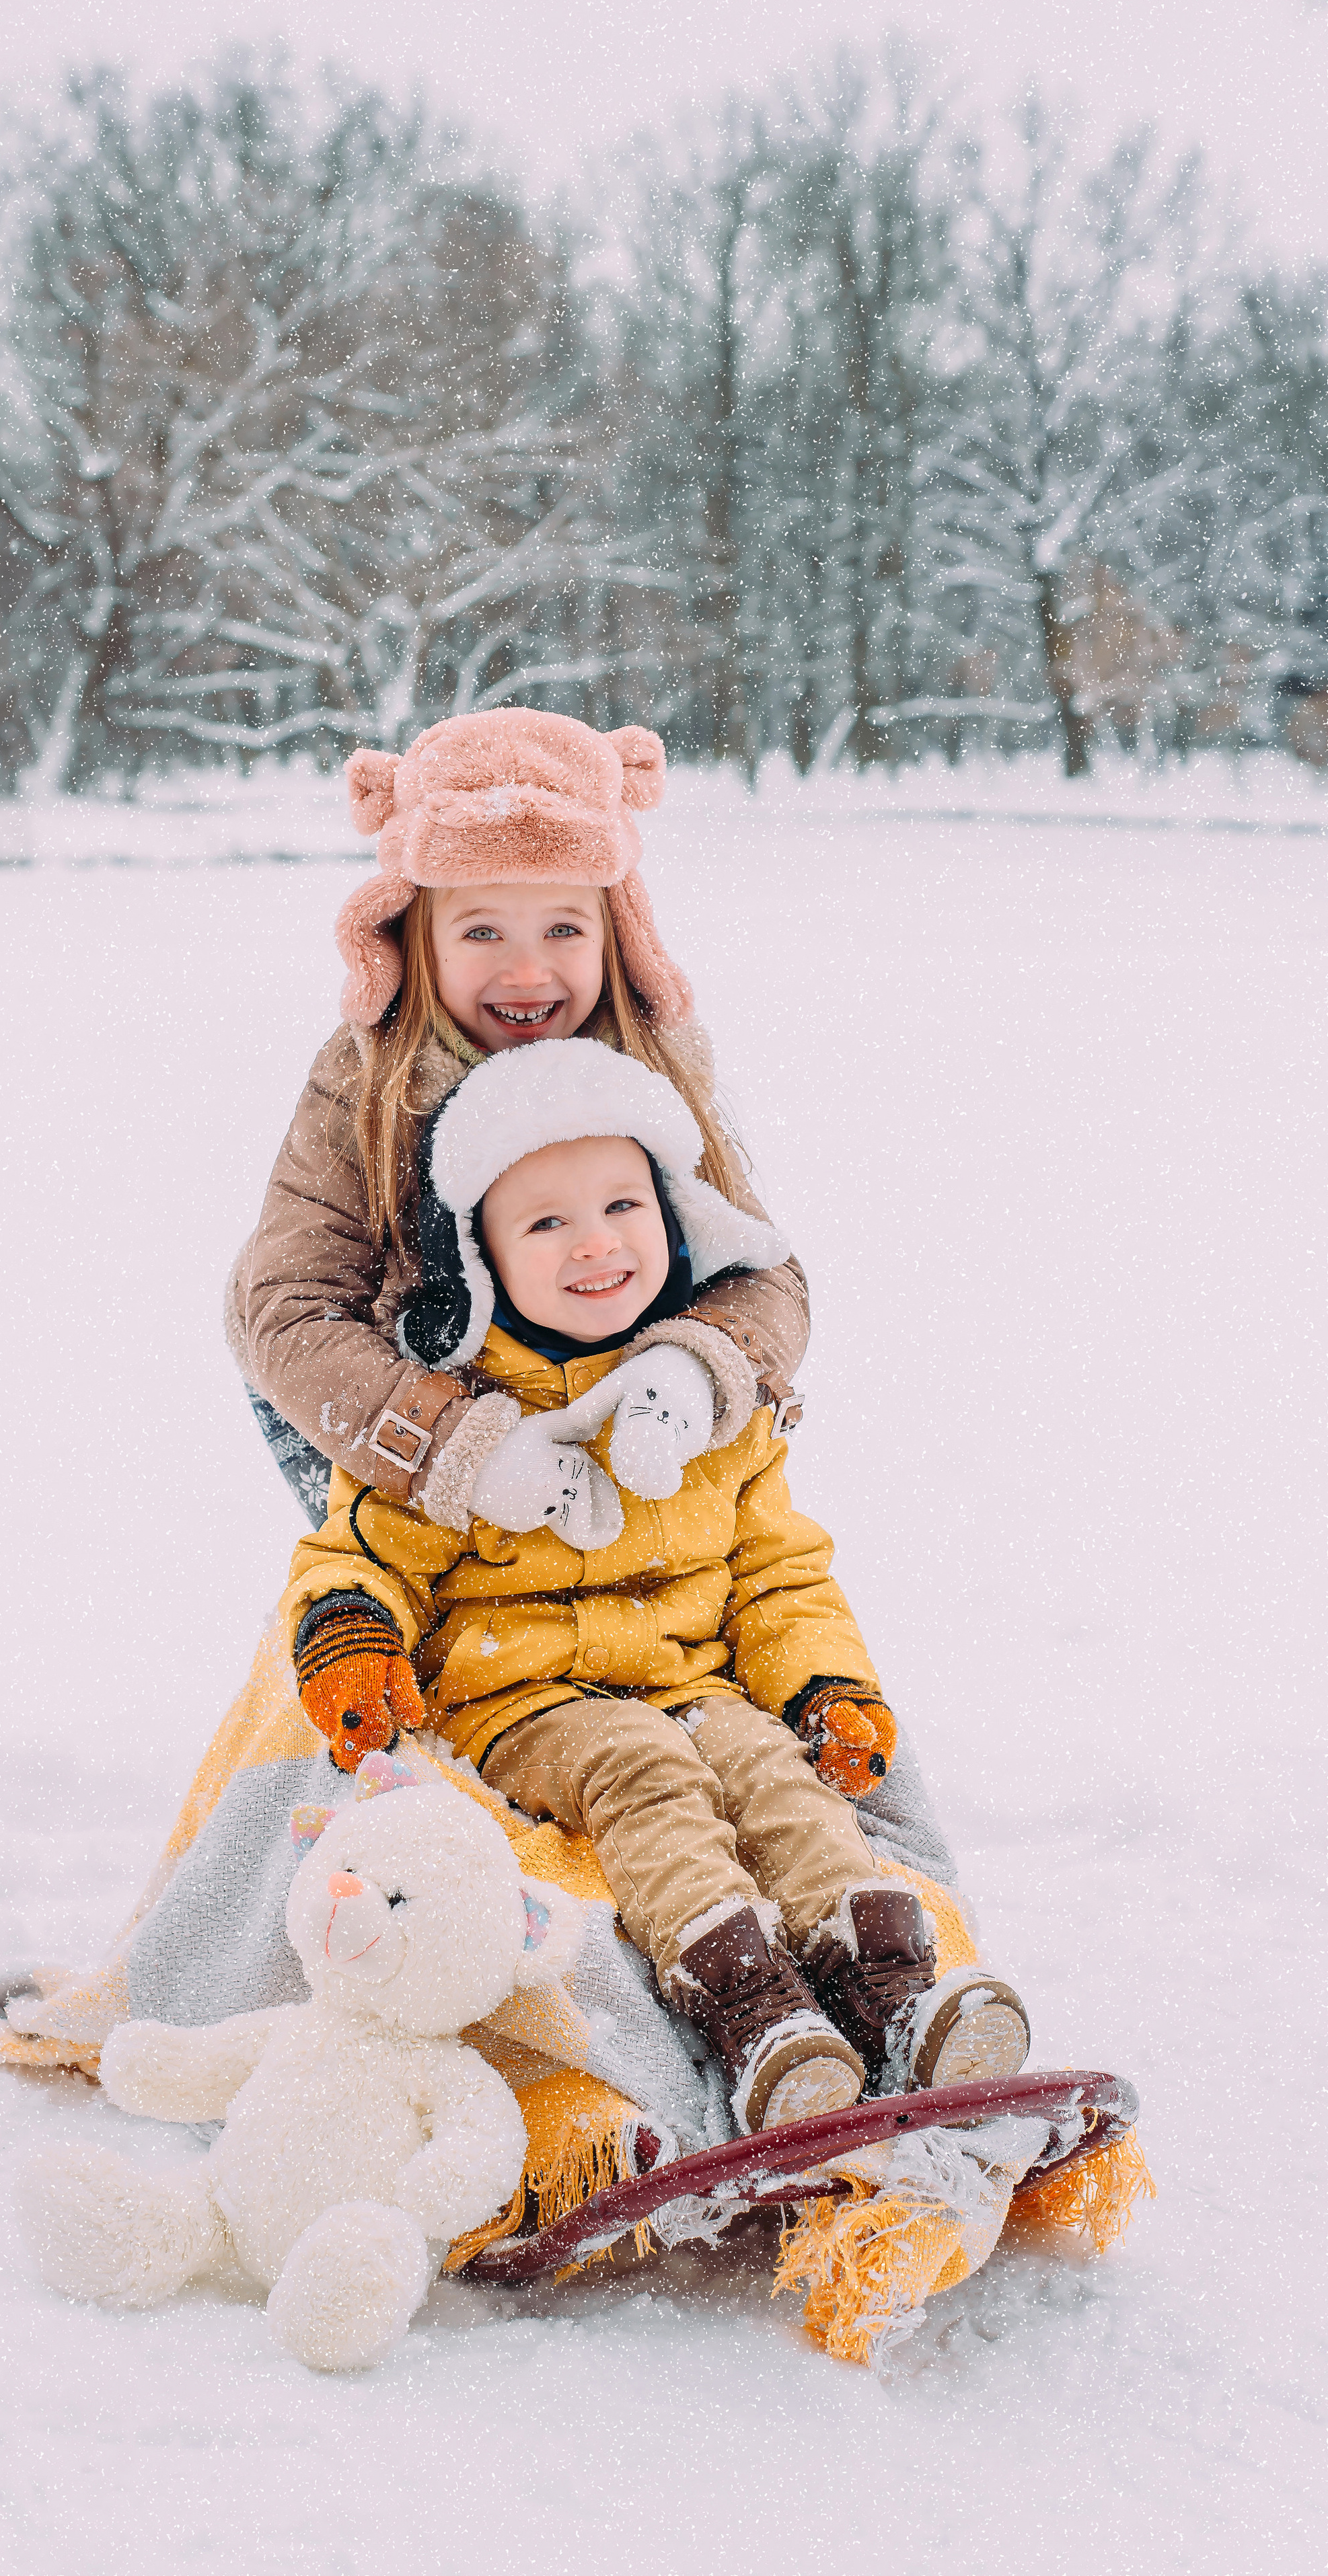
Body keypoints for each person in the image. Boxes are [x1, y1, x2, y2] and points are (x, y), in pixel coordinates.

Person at [275, 1041, 1032, 2135]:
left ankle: (891, 1984)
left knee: (770, 1771)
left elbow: (778, 1571)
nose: (595, 1241)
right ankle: (748, 2001)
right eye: (545, 1222)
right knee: (645, 1767)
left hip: (692, 1679)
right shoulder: (461, 1423)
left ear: (676, 1220)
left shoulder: (704, 1406)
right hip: (525, 1700)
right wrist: (351, 1634)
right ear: (477, 1255)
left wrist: (827, 1685)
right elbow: (359, 1550)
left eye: (622, 1203)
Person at [226, 706, 808, 1537]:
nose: (527, 970)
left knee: (650, 1592)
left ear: (617, 936)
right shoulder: (368, 1081)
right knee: (434, 1605)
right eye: (482, 930)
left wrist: (692, 1369)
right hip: (402, 1388)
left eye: (564, 928)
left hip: (605, 1374)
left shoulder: (646, 1067)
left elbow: (765, 1272)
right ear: (417, 942)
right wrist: (453, 1447)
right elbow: (291, 1305)